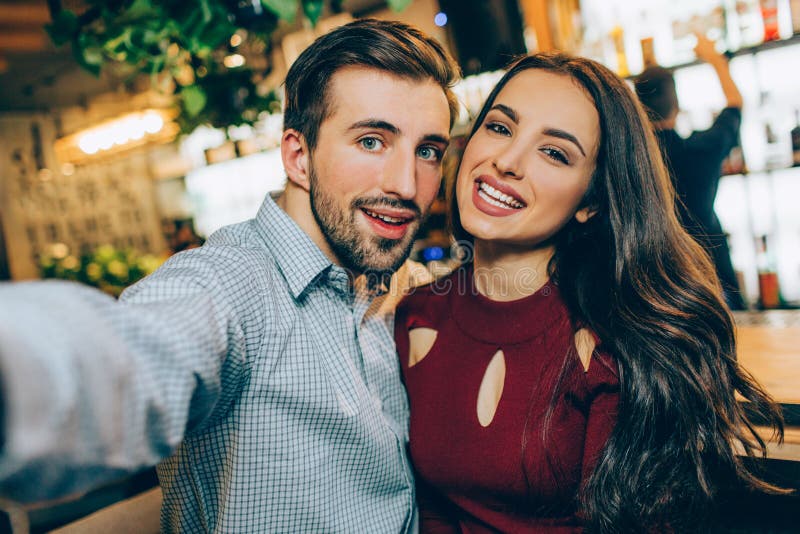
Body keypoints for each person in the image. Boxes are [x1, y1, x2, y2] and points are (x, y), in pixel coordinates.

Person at [0, 19, 460, 532]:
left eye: (428, 151)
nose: (406, 184)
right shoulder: (230, 285)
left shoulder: (391, 281)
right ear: (299, 157)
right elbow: (126, 356)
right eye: (372, 141)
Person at [395, 52, 784, 532]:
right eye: (499, 127)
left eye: (554, 153)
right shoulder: (413, 317)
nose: (507, 161)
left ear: (591, 202)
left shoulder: (606, 346)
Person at [634, 34, 746, 310]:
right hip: (712, 275)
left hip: (656, 288)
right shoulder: (701, 150)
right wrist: (715, 60)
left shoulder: (631, 161)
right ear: (677, 106)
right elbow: (735, 105)